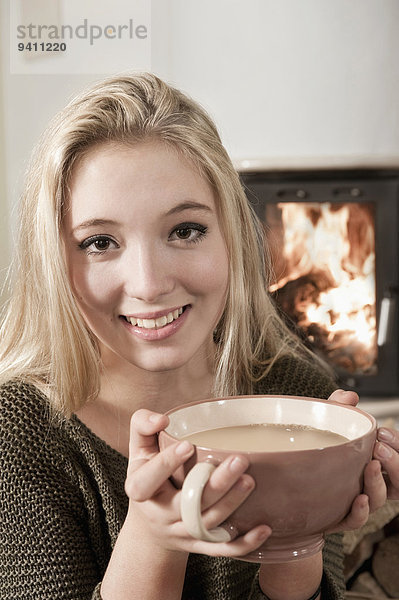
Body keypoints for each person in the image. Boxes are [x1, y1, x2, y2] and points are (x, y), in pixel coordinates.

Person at [0, 73, 398, 600]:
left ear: (231, 235)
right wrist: (151, 536)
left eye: (185, 231)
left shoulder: (294, 391)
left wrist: (303, 530)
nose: (149, 284)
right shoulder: (17, 435)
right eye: (100, 242)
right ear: (55, 264)